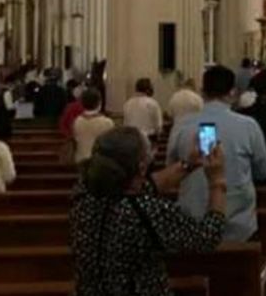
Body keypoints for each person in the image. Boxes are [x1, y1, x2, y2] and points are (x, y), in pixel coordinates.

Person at [71, 127, 227, 296]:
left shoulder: (83, 193)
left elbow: (146, 185)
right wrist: (217, 181)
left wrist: (188, 164)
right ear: (142, 168)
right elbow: (206, 237)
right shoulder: (146, 211)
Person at [168, 65, 266, 242]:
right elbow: (264, 171)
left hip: (191, 226)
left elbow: (171, 170)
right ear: (232, 92)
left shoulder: (182, 125)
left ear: (202, 92)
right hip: (237, 228)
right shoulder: (247, 126)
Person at [72, 88, 115, 163]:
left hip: (81, 160)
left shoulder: (77, 121)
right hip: (100, 162)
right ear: (99, 103)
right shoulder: (107, 122)